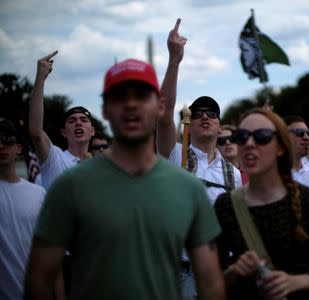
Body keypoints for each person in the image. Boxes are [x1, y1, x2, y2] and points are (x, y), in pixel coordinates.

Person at [24, 56, 225, 299]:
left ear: (159, 107)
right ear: (105, 109)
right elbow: (39, 280)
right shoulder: (70, 186)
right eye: (120, 96)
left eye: (141, 95)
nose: (131, 104)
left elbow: (211, 283)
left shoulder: (188, 188)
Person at [214, 108, 309, 299]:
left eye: (262, 136)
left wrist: (298, 282)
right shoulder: (226, 205)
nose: (250, 143)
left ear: (280, 147)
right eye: (242, 136)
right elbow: (210, 286)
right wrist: (234, 272)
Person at [156, 19, 242, 204]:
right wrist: (174, 60)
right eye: (197, 114)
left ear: (220, 127)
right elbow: (163, 116)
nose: (205, 116)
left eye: (212, 114)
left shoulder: (234, 174)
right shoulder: (175, 154)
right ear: (189, 124)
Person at [29, 51, 95, 190]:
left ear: (93, 131)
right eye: (72, 121)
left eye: (84, 120)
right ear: (64, 132)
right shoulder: (55, 159)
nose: (78, 123)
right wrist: (40, 77)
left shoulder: (104, 169)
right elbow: (36, 133)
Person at [0, 118, 46, 299]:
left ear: (18, 148)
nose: (1, 145)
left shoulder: (39, 193)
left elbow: (48, 250)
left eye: (7, 140)